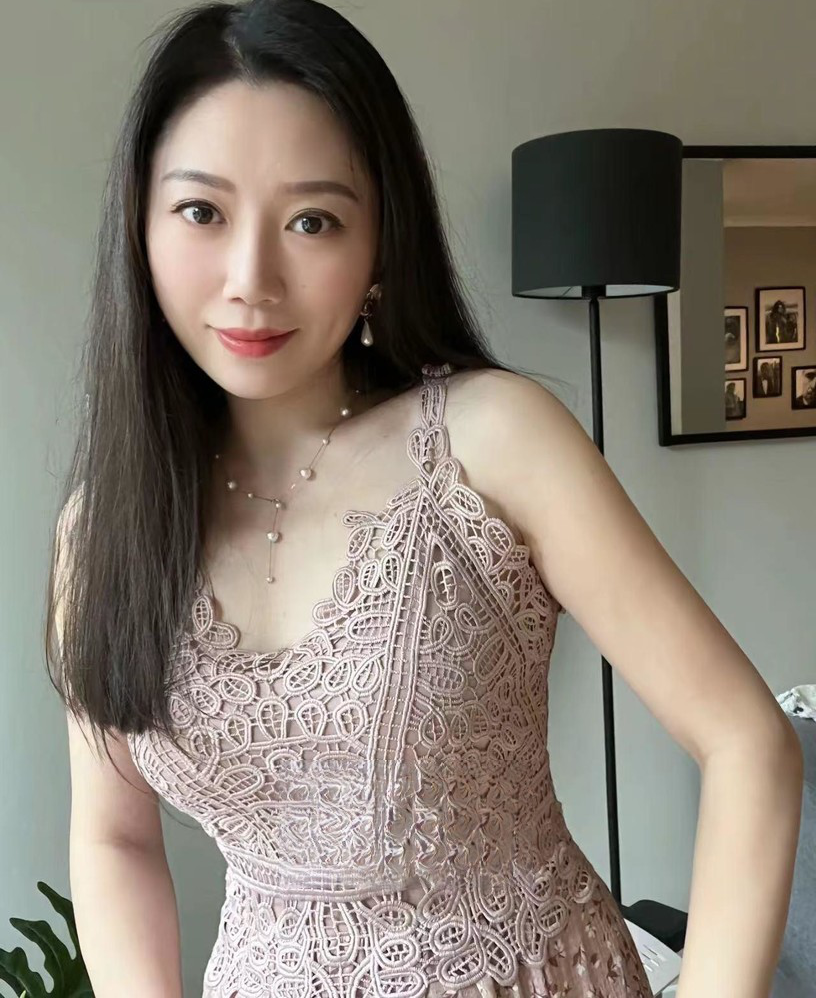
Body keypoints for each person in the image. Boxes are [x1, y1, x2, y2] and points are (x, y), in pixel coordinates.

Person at [46, 2, 804, 997]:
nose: (250, 279)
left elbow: (749, 741)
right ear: (140, 225)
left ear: (380, 245)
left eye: (312, 220)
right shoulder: (102, 528)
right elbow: (113, 835)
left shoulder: (492, 440)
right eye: (202, 212)